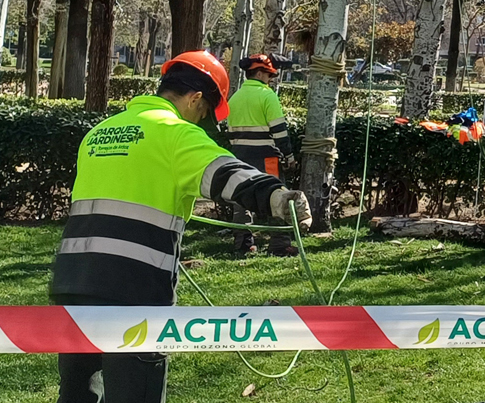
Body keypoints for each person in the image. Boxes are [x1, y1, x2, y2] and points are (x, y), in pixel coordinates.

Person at [51, 50, 311, 403]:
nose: (202, 120)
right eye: (204, 113)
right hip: (135, 290)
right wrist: (278, 196)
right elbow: (227, 174)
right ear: (195, 98)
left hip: (73, 282)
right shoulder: (176, 134)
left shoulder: (100, 133)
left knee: (78, 395)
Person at [224, 53, 296, 256]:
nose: (271, 79)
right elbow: (280, 132)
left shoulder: (235, 97)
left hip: (238, 156)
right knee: (277, 197)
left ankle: (243, 244)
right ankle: (280, 244)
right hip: (266, 157)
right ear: (259, 73)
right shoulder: (267, 96)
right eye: (269, 75)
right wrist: (289, 157)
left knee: (241, 200)